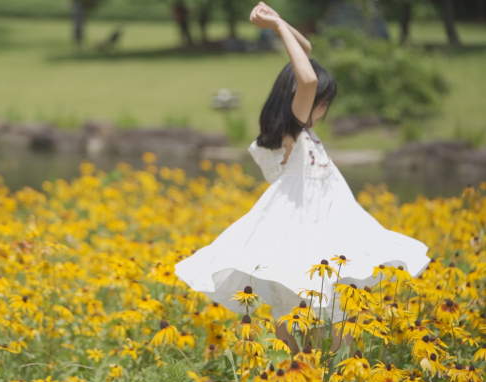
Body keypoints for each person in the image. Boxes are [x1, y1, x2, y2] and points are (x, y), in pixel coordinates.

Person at [174, 2, 430, 350]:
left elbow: (306, 52)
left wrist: (280, 24)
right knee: (304, 310)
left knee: (323, 307)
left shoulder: (298, 131)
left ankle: (311, 367)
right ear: (301, 99)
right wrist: (278, 25)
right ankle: (303, 366)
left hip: (324, 224)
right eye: (321, 100)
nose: (323, 107)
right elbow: (307, 76)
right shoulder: (292, 132)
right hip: (304, 227)